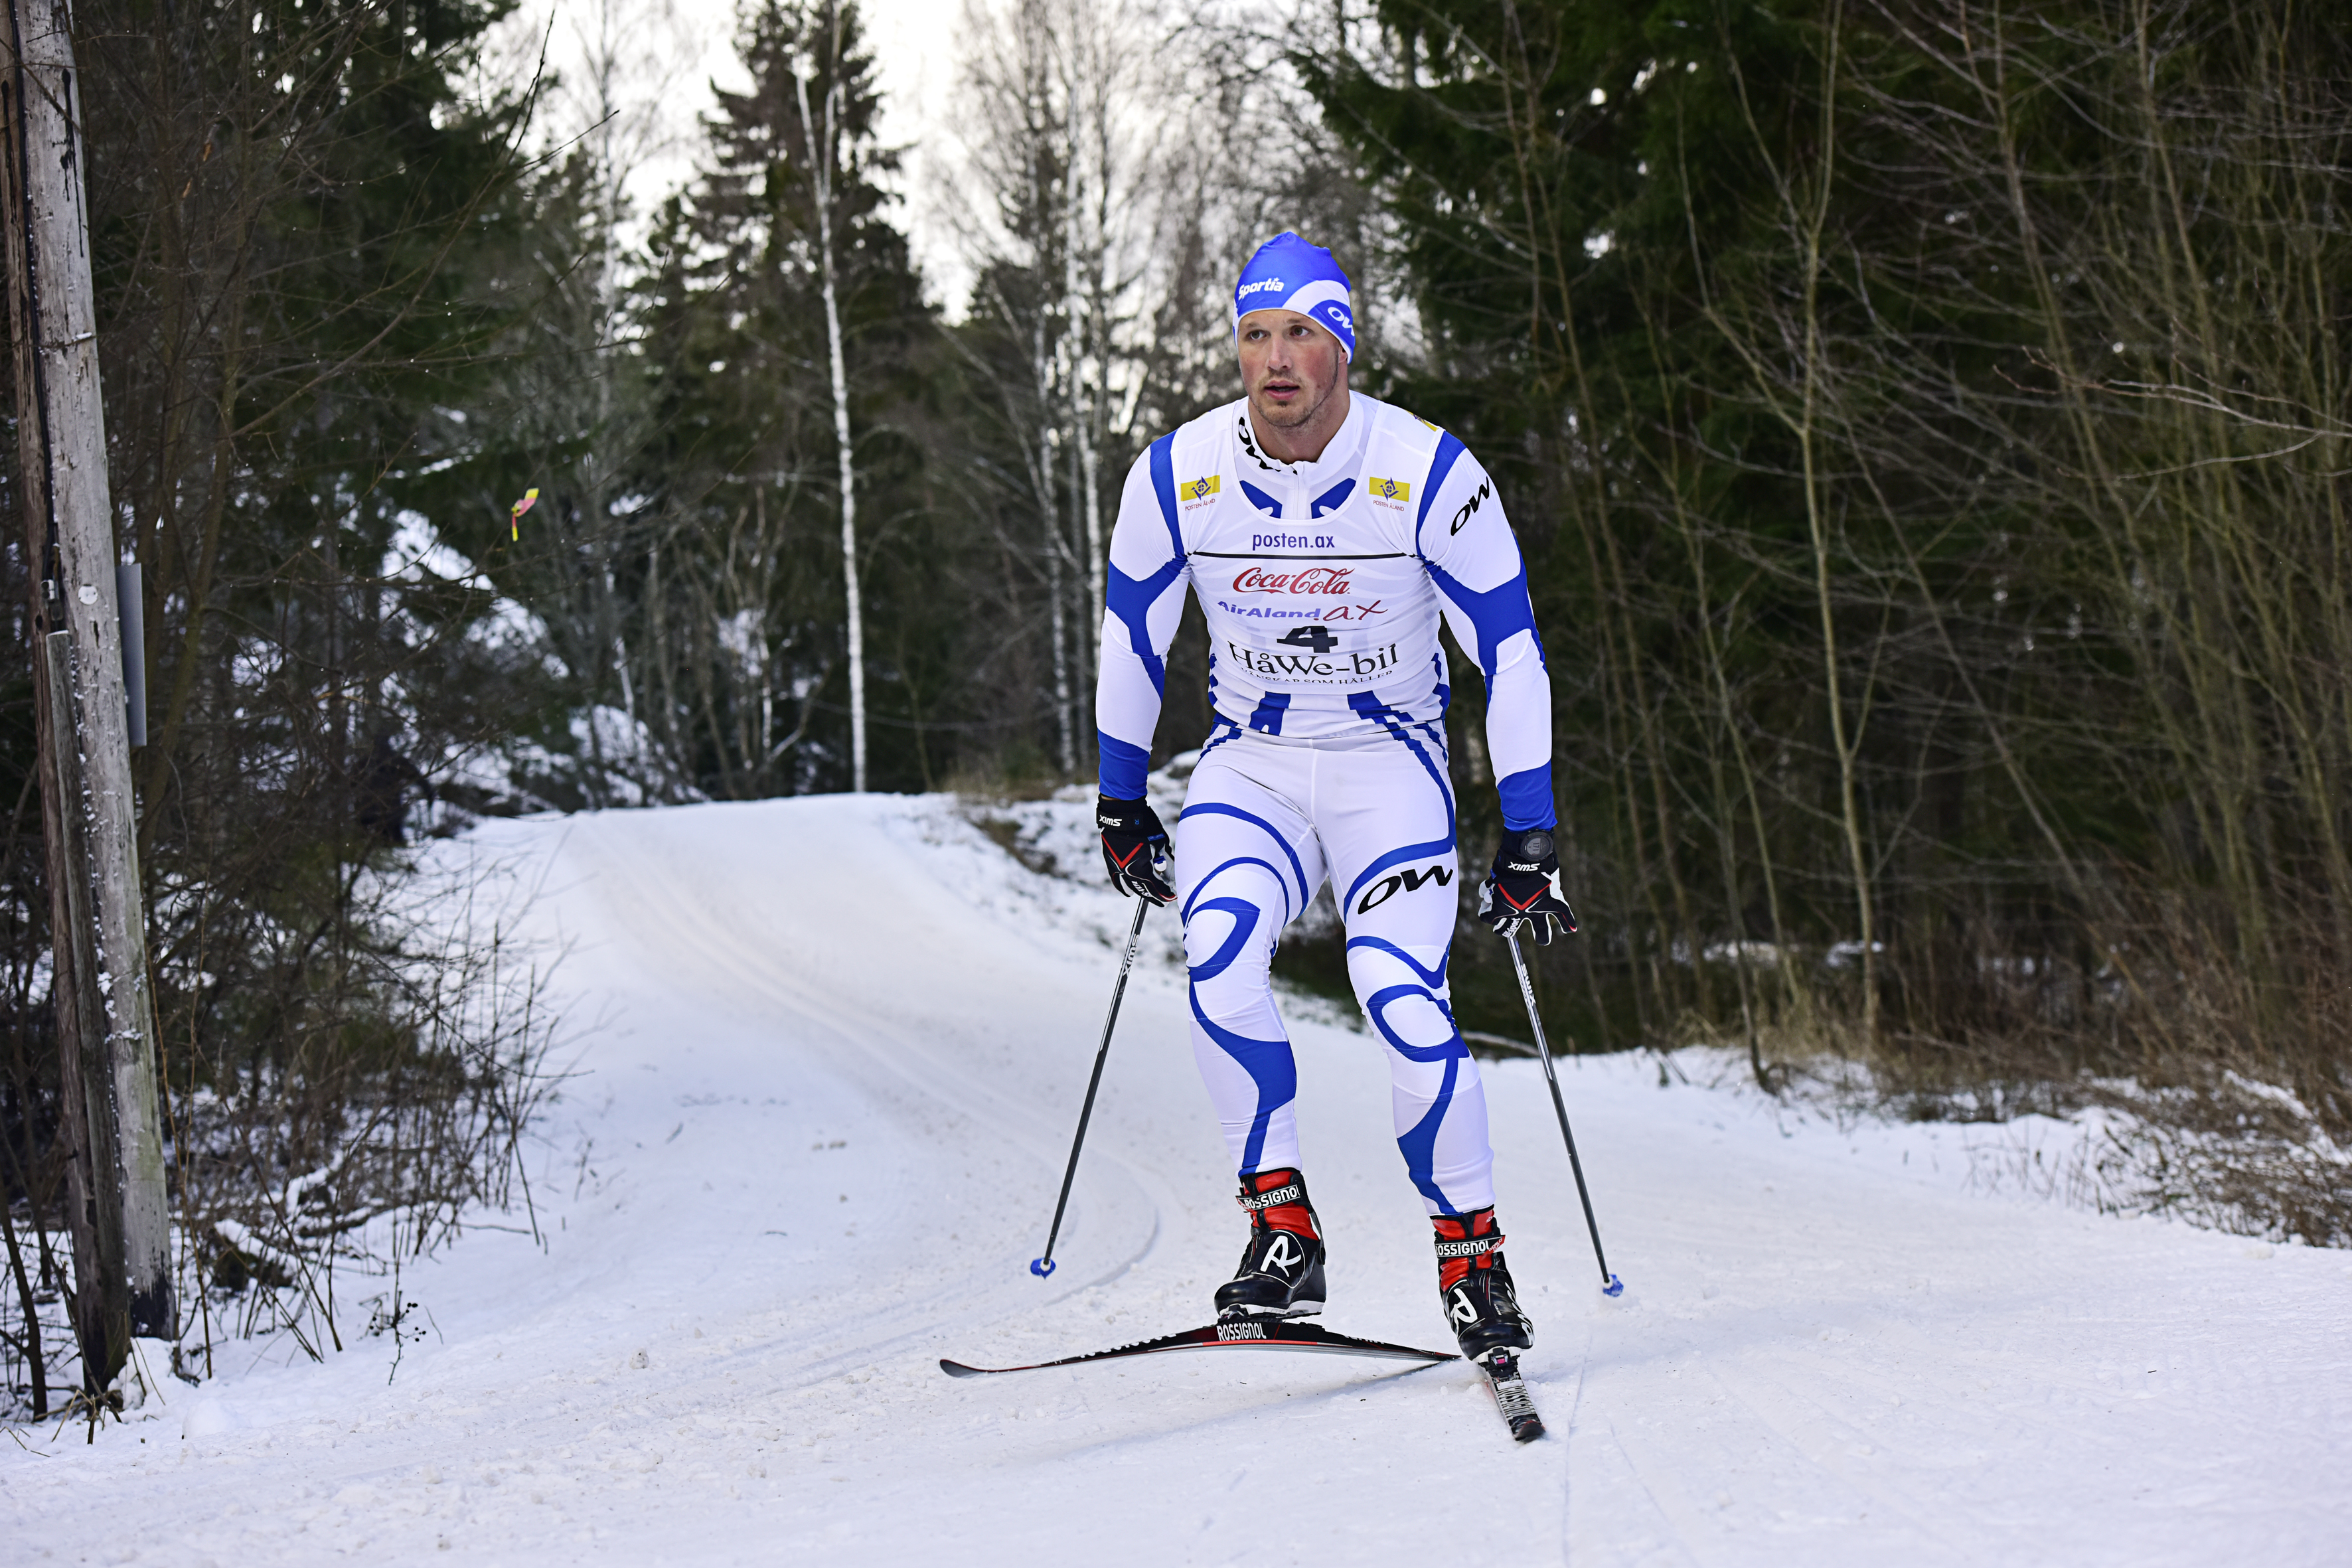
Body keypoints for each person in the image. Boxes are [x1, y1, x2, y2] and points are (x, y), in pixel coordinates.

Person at [1092, 232, 1577, 1358]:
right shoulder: (1177, 474)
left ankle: (1472, 1253)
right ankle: (1281, 1227)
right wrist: (1120, 800)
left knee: (1398, 991)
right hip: (1251, 763)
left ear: (1343, 348)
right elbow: (1132, 638)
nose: (1276, 359)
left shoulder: (1428, 471)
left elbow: (1510, 652)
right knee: (1216, 953)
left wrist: (1532, 825)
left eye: (1302, 332)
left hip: (1386, 763)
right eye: (1255, 335)